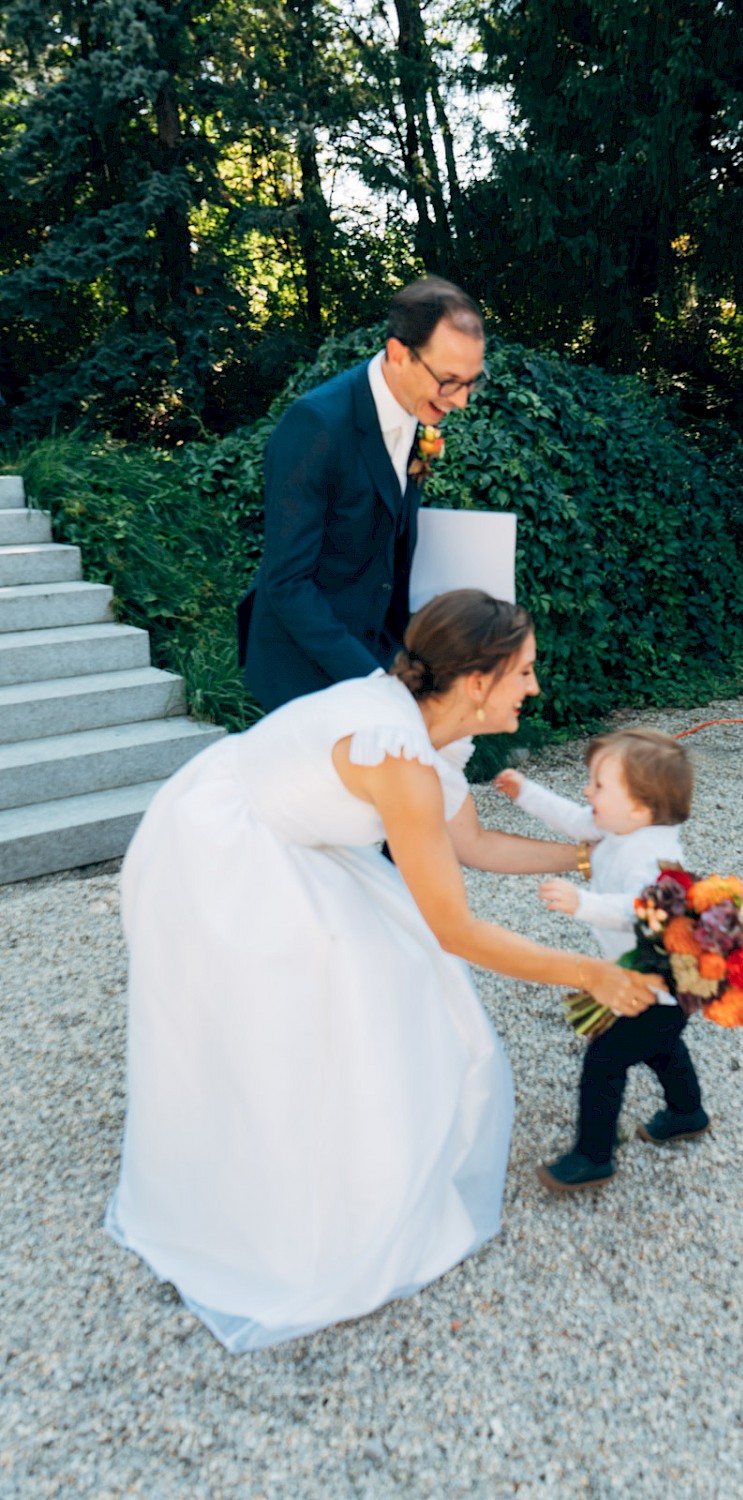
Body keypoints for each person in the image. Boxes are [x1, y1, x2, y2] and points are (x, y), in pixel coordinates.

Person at [106, 592, 662, 1352]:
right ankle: (285, 1196)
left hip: (298, 834)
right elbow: (454, 927)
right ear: (477, 682)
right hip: (229, 848)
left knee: (392, 974)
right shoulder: (399, 756)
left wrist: (591, 857)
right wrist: (586, 973)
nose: (535, 686)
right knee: (321, 1001)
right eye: (524, 671)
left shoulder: (426, 731)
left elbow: (470, 846)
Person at [238, 276, 487, 712]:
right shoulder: (315, 425)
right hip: (304, 673)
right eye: (449, 381)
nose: (461, 401)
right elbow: (286, 582)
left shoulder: (418, 409)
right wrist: (372, 678)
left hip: (379, 656)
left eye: (472, 382)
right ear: (398, 354)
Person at [495, 729, 710, 1193]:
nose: (587, 793)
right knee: (662, 1046)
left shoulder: (655, 858)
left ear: (639, 807)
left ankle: (594, 1156)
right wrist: (525, 793)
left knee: (604, 1061)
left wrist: (582, 903)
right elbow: (574, 819)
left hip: (659, 983)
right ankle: (687, 1112)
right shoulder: (619, 825)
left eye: (598, 786)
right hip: (653, 986)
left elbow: (640, 910)